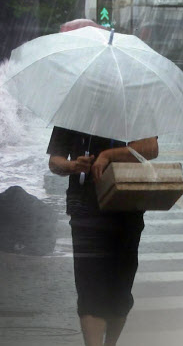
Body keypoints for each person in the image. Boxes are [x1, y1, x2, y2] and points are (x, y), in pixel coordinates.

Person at [47, 127, 158, 346]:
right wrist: (73, 165)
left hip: (127, 205)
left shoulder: (133, 105)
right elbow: (55, 161)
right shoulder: (74, 112)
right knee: (89, 288)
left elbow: (151, 148)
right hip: (84, 208)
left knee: (120, 288)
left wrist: (108, 155)